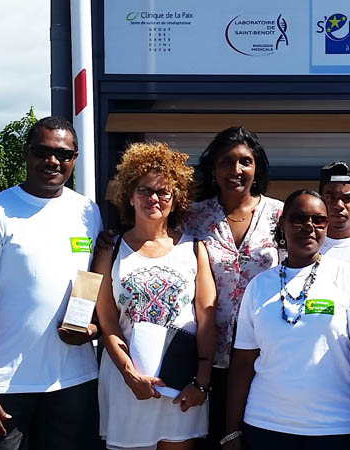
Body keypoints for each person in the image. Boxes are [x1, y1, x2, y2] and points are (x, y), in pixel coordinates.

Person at [0, 116, 102, 449]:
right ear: (26, 153)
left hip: (73, 380)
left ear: (75, 158)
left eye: (63, 154)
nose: (53, 161)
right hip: (5, 384)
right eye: (42, 151)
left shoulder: (87, 212)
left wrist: (93, 328)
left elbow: (94, 284)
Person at [223, 190, 350, 450]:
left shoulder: (348, 277)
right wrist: (231, 431)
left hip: (335, 427)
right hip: (265, 425)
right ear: (283, 223)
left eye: (318, 220)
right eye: (299, 218)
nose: (309, 226)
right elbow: (242, 363)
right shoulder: (259, 286)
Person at [94, 141, 216, 449]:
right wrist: (129, 374)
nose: (154, 198)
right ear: (130, 196)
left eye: (164, 192)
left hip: (180, 385)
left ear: (176, 199)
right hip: (128, 384)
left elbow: (207, 318)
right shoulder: (110, 250)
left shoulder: (194, 249)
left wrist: (202, 380)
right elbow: (107, 321)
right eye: (145, 190)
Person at [183, 126, 283, 448]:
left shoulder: (280, 215)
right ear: (213, 169)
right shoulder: (192, 217)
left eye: (245, 162)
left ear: (257, 167)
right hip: (205, 357)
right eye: (226, 162)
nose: (236, 170)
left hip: (263, 356)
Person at [318, 160, 350, 262]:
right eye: (330, 197)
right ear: (320, 200)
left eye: (347, 198)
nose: (338, 205)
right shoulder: (307, 243)